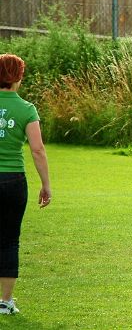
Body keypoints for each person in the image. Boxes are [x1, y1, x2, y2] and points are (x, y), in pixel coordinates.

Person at [0, 54, 51, 316]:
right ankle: (5, 301)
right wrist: (46, 184)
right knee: (9, 240)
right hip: (12, 180)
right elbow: (37, 150)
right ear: (18, 76)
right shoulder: (27, 109)